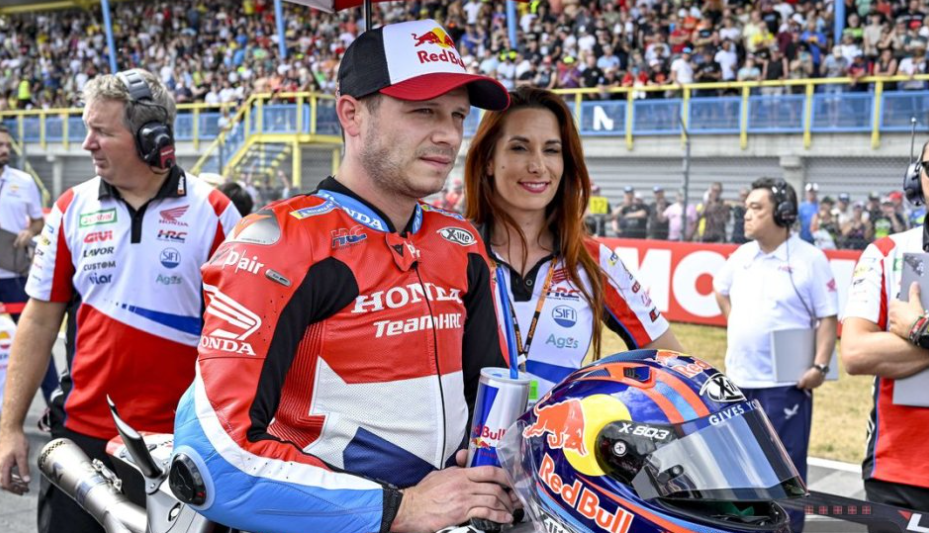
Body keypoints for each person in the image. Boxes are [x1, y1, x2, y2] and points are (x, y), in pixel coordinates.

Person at [171, 19, 518, 533]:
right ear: (352, 114)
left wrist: (495, 468)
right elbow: (210, 460)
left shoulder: (460, 243)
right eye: (423, 110)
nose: (448, 134)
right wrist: (400, 509)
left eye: (457, 115)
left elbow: (494, 392)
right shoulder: (278, 243)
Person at [0, 69, 241, 533]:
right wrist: (9, 427)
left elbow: (245, 339)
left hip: (181, 447)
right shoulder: (71, 207)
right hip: (81, 443)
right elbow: (39, 321)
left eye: (101, 131)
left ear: (152, 139)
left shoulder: (215, 214)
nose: (87, 143)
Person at [464, 86, 683, 397]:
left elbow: (676, 365)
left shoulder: (594, 260)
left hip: (558, 430)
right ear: (488, 160)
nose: (538, 166)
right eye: (519, 148)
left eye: (552, 150)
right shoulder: (453, 251)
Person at [714, 178, 838, 533]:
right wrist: (737, 321)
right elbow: (720, 290)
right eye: (747, 207)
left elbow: (828, 318)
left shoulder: (810, 259)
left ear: (782, 214)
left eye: (756, 208)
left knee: (784, 472)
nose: (746, 215)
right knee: (738, 468)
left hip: (786, 384)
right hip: (738, 382)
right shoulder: (741, 256)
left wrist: (820, 366)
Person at [842, 142, 929, 524]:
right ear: (916, 178)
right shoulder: (885, 251)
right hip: (898, 471)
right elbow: (855, 354)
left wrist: (919, 330)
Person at [0, 125, 59, 405]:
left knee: (34, 341)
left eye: (7, 145)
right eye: (0, 145)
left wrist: (29, 231)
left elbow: (37, 222)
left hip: (14, 275)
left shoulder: (23, 181)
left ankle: (55, 405)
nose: (5, 150)